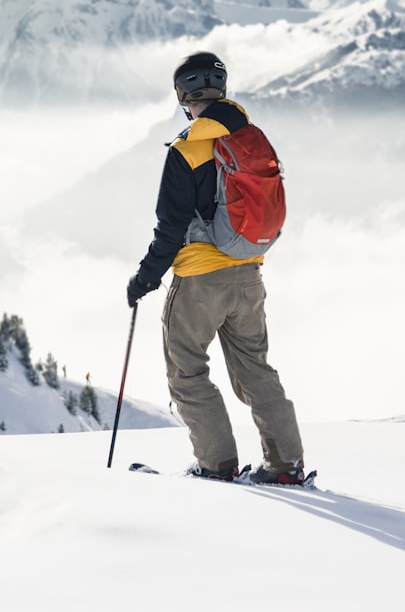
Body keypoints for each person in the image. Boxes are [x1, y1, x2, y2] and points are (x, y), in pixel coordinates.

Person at [127, 51, 307, 486]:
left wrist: (144, 278)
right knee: (256, 371)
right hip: (249, 275)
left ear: (184, 95)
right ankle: (287, 467)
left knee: (187, 371)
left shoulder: (187, 149)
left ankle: (217, 465)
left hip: (199, 280)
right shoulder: (250, 139)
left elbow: (170, 229)